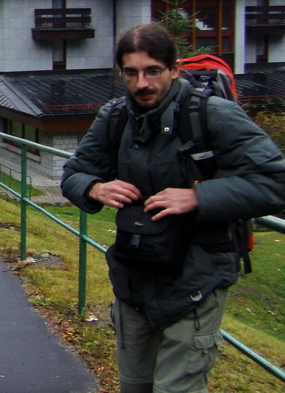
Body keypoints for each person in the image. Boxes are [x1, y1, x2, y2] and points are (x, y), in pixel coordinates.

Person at [61, 23, 285, 393]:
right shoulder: (115, 117)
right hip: (133, 278)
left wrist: (200, 196)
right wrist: (95, 187)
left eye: (152, 71)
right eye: (130, 73)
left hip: (197, 278)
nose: (141, 84)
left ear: (174, 69)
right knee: (134, 385)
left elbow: (276, 181)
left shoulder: (213, 115)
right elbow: (74, 174)